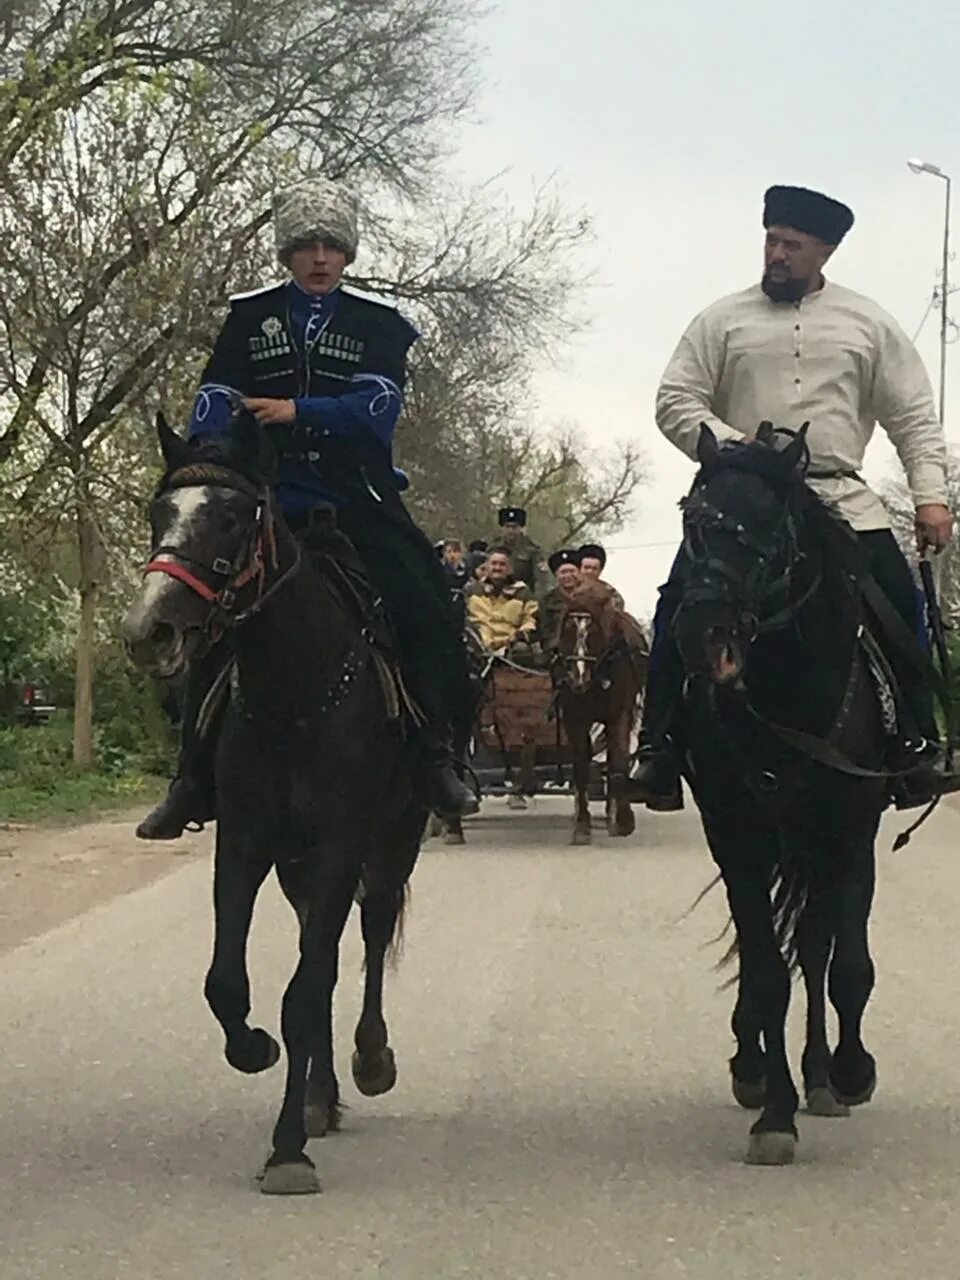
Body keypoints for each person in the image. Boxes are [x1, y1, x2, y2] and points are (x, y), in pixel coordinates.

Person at [137, 176, 476, 839]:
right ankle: (192, 776)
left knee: (428, 597)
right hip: (263, 496)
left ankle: (435, 753)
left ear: (347, 254)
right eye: (306, 246)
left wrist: (296, 410)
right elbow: (214, 396)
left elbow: (376, 413)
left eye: (331, 246)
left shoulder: (379, 326)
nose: (319, 257)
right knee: (198, 600)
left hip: (356, 498)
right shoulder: (249, 317)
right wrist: (211, 448)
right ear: (287, 253)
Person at [629, 183, 956, 812]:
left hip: (839, 499)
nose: (776, 254)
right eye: (771, 241)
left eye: (792, 245)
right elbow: (676, 401)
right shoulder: (721, 320)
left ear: (824, 252)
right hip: (741, 499)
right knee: (680, 601)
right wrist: (739, 450)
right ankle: (660, 745)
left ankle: (917, 742)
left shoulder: (870, 324)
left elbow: (914, 417)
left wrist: (930, 498)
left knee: (898, 601)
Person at [465, 549, 539, 655]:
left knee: (522, 650)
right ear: (486, 566)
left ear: (510, 569)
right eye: (494, 564)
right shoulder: (472, 590)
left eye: (502, 564)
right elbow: (463, 618)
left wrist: (520, 635)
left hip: (511, 645)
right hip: (479, 645)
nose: (497, 568)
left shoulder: (523, 592)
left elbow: (531, 618)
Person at [491, 508, 545, 598]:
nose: (510, 530)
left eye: (514, 527)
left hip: (522, 597)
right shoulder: (493, 547)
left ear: (521, 528)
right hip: (496, 597)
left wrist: (537, 600)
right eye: (507, 527)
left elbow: (541, 580)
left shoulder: (532, 549)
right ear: (502, 528)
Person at [538, 548, 581, 650]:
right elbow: (544, 630)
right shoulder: (547, 601)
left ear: (579, 573)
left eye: (572, 571)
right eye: (563, 572)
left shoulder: (590, 598)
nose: (568, 576)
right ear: (556, 575)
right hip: (555, 651)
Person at [577, 543, 626, 609]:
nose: (590, 572)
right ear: (578, 568)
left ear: (600, 571)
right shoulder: (567, 589)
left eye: (594, 569)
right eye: (586, 568)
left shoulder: (611, 595)